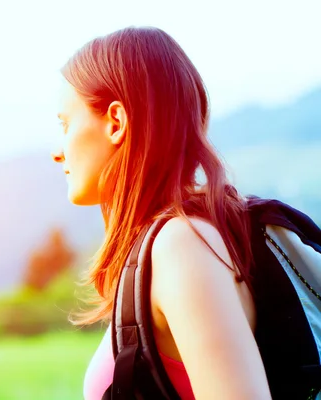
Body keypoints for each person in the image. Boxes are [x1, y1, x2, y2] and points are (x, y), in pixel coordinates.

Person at [51, 26, 273, 400]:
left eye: (66, 124)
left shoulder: (180, 246)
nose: (58, 151)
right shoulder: (174, 242)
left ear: (116, 122)